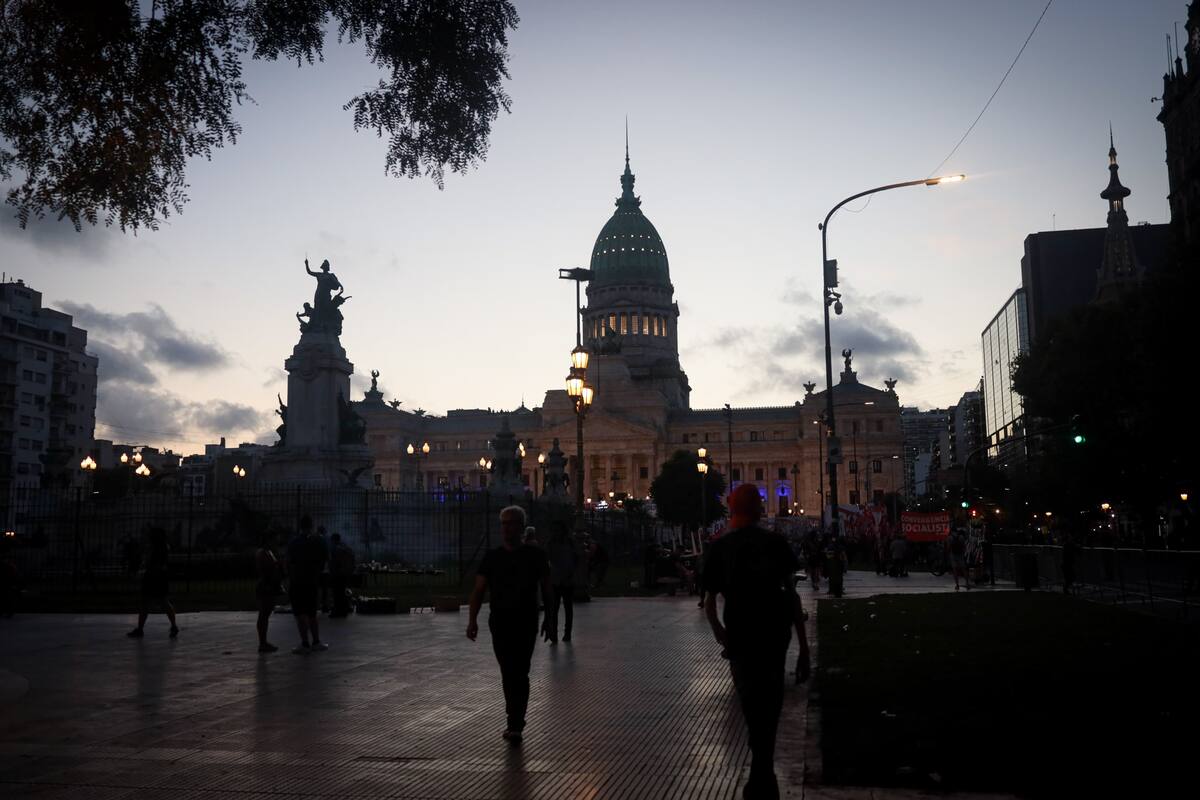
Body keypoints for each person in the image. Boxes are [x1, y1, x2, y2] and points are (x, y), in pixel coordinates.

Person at [704, 484, 809, 800]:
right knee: (771, 703)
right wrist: (804, 648)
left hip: (742, 636)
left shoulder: (720, 548)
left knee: (751, 703)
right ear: (761, 509)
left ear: (731, 508)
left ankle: (760, 767)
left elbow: (709, 601)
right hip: (775, 635)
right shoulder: (776, 543)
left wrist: (720, 632)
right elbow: (791, 596)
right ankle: (763, 767)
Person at [467, 505, 552, 744]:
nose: (507, 528)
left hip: (526, 619)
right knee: (508, 671)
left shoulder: (535, 555)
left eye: (512, 523)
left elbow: (547, 589)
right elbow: (478, 590)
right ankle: (513, 717)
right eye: (504, 524)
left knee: (521, 670)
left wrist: (551, 618)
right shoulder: (492, 557)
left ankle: (515, 722)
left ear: (521, 527)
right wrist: (472, 620)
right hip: (500, 621)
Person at [287, 515, 329, 654]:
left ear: (300, 526)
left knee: (300, 613)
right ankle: (316, 641)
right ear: (312, 526)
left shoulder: (294, 542)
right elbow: (324, 559)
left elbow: (289, 562)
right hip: (312, 580)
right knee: (312, 612)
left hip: (297, 581)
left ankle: (305, 643)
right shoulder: (319, 541)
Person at [127, 527, 179, 638]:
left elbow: (152, 563)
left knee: (146, 603)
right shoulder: (163, 547)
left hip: (152, 577)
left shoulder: (156, 548)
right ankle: (173, 626)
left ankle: (140, 629)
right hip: (160, 577)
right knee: (163, 602)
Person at [544, 521, 577, 644]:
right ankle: (557, 633)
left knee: (561, 608)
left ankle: (562, 633)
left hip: (562, 578)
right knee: (559, 608)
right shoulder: (566, 543)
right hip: (560, 579)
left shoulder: (554, 543)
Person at [255, 532, 284, 653]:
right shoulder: (263, 553)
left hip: (269, 586)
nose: (275, 543)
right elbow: (267, 569)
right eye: (274, 540)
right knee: (264, 614)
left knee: (265, 614)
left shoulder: (267, 552)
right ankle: (262, 643)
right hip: (266, 586)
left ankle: (263, 642)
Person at [329, 533, 355, 618]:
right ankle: (343, 611)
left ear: (333, 540)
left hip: (337, 574)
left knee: (337, 593)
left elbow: (333, 562)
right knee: (342, 592)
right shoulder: (346, 548)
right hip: (346, 573)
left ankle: (337, 611)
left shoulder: (335, 549)